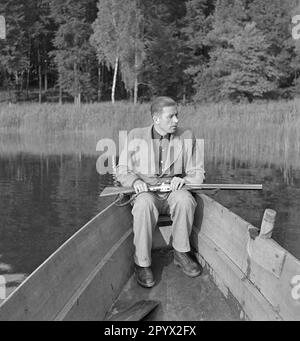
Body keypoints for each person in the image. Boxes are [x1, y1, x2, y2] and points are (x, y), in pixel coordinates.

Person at [116, 96, 205, 288]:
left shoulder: (187, 136)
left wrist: (184, 180)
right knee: (143, 204)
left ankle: (181, 253)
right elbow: (122, 170)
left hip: (174, 192)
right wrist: (135, 181)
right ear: (156, 119)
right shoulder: (135, 136)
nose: (176, 121)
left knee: (185, 200)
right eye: (171, 117)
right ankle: (142, 263)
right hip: (146, 193)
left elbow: (197, 173)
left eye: (177, 116)